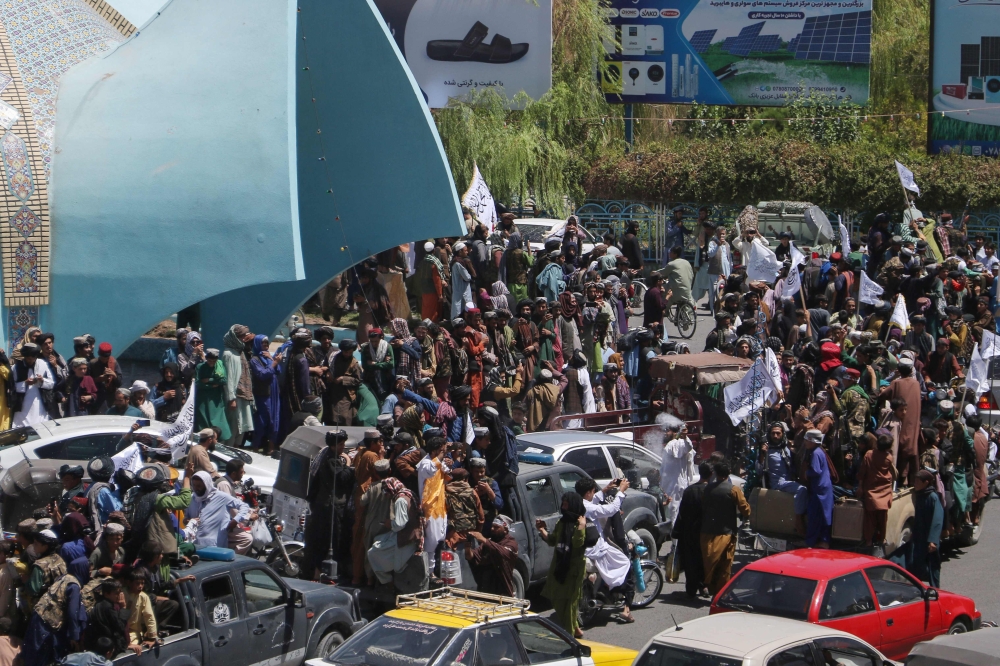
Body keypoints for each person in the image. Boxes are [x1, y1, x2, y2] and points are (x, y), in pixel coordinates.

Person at [576, 477, 634, 623]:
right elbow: (610, 509)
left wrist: (606, 489)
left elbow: (591, 502)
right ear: (588, 492)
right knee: (625, 562)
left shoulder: (578, 502)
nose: (594, 493)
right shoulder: (587, 507)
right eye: (593, 491)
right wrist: (620, 491)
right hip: (596, 550)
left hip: (587, 548)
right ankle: (609, 588)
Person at [301, 430, 354, 580]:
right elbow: (342, 478)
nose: (343, 447)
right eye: (341, 444)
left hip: (322, 506)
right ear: (334, 445)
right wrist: (348, 464)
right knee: (330, 541)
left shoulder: (325, 455)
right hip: (329, 509)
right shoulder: (331, 460)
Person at [537, 492, 587, 638]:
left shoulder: (581, 522)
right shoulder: (562, 522)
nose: (563, 507)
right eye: (563, 504)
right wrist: (541, 529)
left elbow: (578, 543)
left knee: (569, 604)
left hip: (573, 570)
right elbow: (553, 540)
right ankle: (575, 628)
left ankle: (569, 638)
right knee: (557, 599)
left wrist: (581, 526)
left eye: (566, 504)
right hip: (559, 566)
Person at [700, 461, 750, 595]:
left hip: (707, 532)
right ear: (728, 474)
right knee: (725, 565)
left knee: (709, 563)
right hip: (726, 533)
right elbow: (745, 509)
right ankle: (721, 593)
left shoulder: (707, 488)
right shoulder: (733, 490)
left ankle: (708, 587)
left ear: (715, 473)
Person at [366, 475, 422, 586]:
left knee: (372, 553)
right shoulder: (408, 493)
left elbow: (399, 525)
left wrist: (389, 523)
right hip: (412, 534)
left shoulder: (400, 501)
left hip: (406, 538)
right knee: (378, 539)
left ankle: (387, 581)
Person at [894, 469, 943, 587]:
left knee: (932, 566)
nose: (915, 483)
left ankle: (935, 590)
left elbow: (937, 520)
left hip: (929, 539)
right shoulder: (920, 496)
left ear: (926, 482)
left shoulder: (932, 497)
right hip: (919, 537)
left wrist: (933, 540)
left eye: (917, 481)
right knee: (915, 563)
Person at [878, 357, 921, 485]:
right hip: (913, 425)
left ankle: (900, 479)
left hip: (900, 425)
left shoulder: (896, 383)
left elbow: (882, 396)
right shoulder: (916, 384)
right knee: (911, 448)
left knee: (899, 449)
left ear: (899, 369)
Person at [671, 462, 711, 598]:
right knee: (704, 560)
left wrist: (677, 531)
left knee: (690, 560)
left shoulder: (689, 490)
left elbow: (682, 512)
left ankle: (691, 589)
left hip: (688, 532)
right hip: (705, 532)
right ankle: (703, 585)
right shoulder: (711, 491)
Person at [857, 434, 896, 554]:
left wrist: (860, 487)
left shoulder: (868, 455)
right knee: (882, 518)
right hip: (884, 491)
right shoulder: (889, 457)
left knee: (869, 519)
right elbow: (893, 473)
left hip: (871, 491)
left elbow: (862, 472)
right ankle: (882, 540)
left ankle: (868, 542)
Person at [465, 516, 519, 597]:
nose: (492, 529)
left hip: (502, 593)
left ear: (505, 529)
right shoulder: (488, 543)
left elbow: (503, 552)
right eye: (492, 526)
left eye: (496, 527)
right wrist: (467, 547)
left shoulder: (511, 543)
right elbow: (472, 557)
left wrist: (484, 540)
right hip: (485, 591)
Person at [221, 324, 255, 447]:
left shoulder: (239, 352)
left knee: (243, 427)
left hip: (243, 395)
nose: (242, 339)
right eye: (240, 337)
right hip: (235, 396)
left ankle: (236, 449)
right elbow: (229, 378)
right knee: (234, 425)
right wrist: (231, 398)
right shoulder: (228, 354)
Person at [659, 417, 695, 525]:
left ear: (675, 432)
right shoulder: (673, 444)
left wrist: (683, 436)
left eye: (668, 431)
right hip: (670, 484)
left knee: (674, 512)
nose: (665, 433)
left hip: (675, 485)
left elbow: (687, 447)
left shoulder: (676, 444)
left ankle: (676, 541)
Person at [803, 429, 834, 547]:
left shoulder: (815, 453)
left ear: (812, 441)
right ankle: (824, 540)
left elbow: (816, 470)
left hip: (819, 490)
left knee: (814, 516)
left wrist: (807, 473)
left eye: (806, 440)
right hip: (824, 488)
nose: (805, 442)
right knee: (825, 515)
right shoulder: (820, 451)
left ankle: (811, 542)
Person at [12, 343, 55, 426]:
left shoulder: (43, 364)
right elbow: (12, 387)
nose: (31, 361)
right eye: (28, 359)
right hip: (22, 406)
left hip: (39, 405)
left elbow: (51, 384)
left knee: (40, 426)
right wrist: (25, 383)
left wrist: (41, 380)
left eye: (33, 359)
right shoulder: (16, 367)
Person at [194, 348, 231, 441]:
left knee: (219, 423)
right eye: (209, 361)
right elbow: (198, 383)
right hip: (203, 400)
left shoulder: (220, 365)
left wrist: (209, 380)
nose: (211, 363)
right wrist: (213, 385)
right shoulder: (200, 367)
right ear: (206, 358)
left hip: (216, 400)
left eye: (214, 361)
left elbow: (223, 380)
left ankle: (217, 442)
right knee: (204, 423)